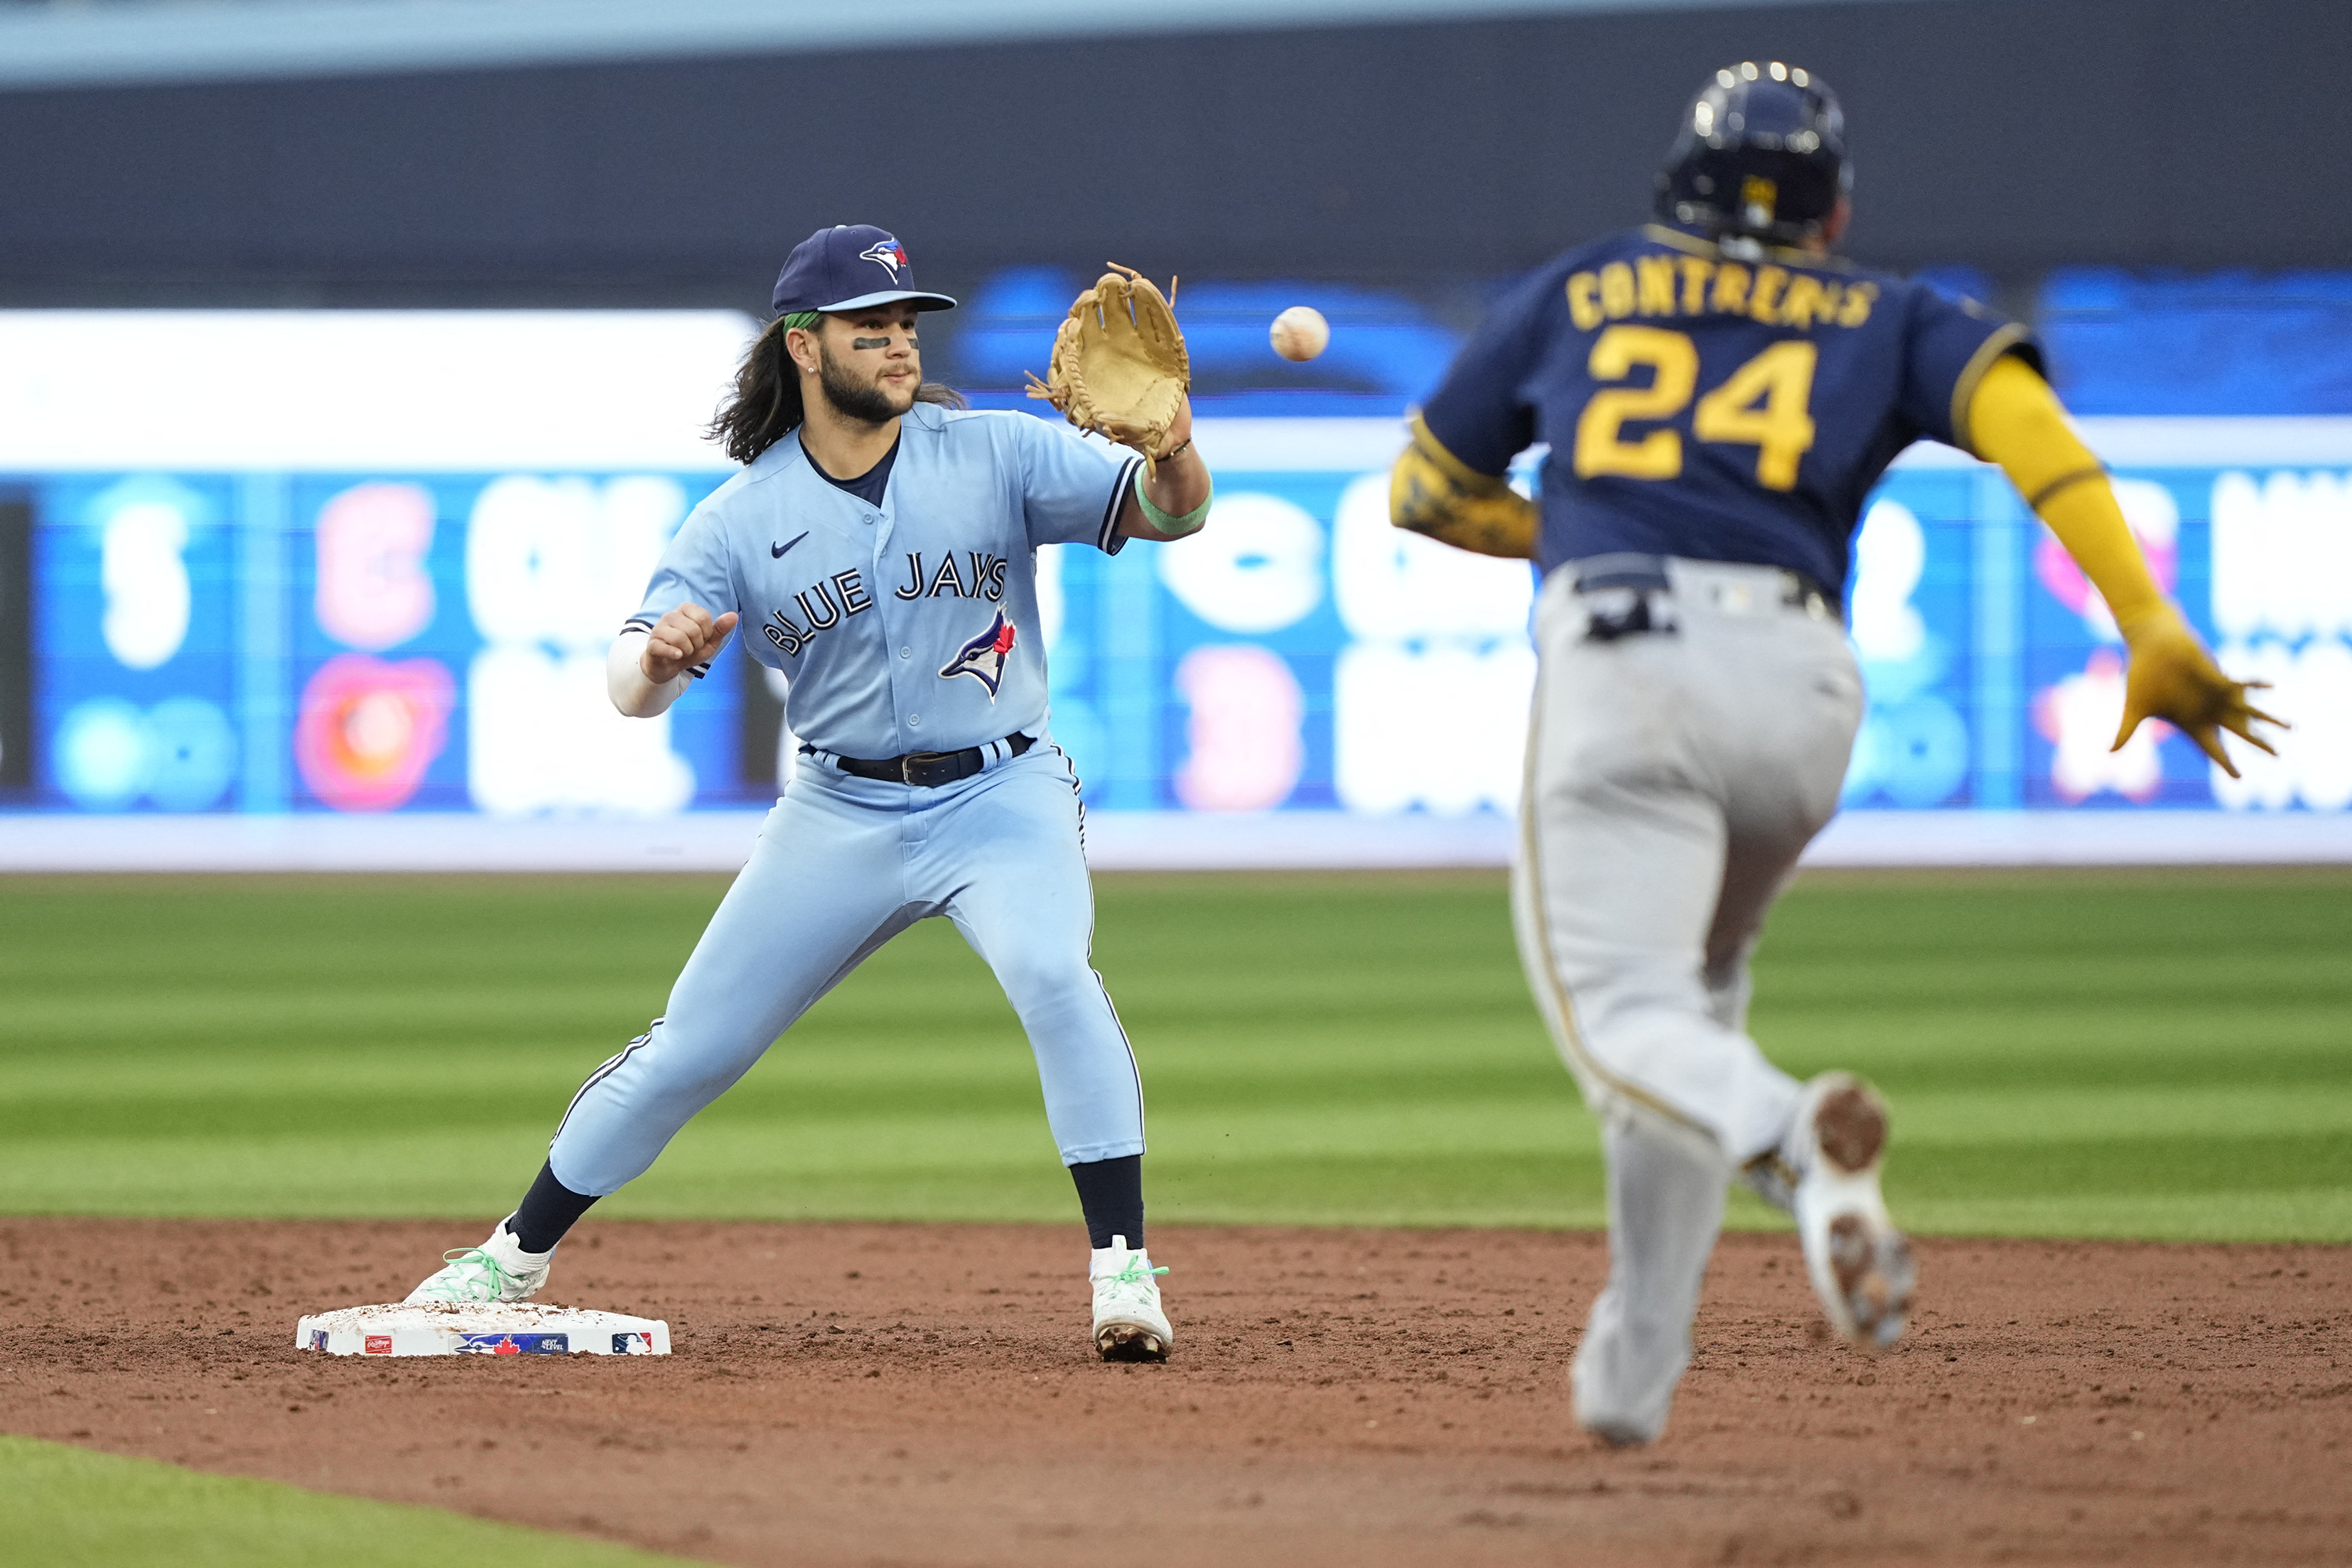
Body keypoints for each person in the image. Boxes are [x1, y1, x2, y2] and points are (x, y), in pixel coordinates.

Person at [1389, 64, 2280, 1444]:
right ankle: (1629, 1382)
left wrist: (1570, 524)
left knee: (1626, 1019)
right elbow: (2028, 434)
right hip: (1801, 694)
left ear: (1673, 186)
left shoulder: (1585, 286)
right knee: (1690, 1009)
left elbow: (1427, 493)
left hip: (1628, 670)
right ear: (1830, 211)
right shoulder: (1886, 308)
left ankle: (1798, 1138)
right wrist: (2144, 619)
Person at [406, 224, 1214, 1362]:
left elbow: (1173, 513)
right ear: (802, 345)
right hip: (839, 813)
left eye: (903, 325)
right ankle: (512, 1251)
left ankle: (1122, 1271)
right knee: (695, 1042)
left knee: (1048, 969)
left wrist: (1176, 449)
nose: (896, 344)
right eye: (868, 327)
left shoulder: (993, 451)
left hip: (1002, 792)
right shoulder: (739, 518)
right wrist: (660, 657)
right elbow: (628, 688)